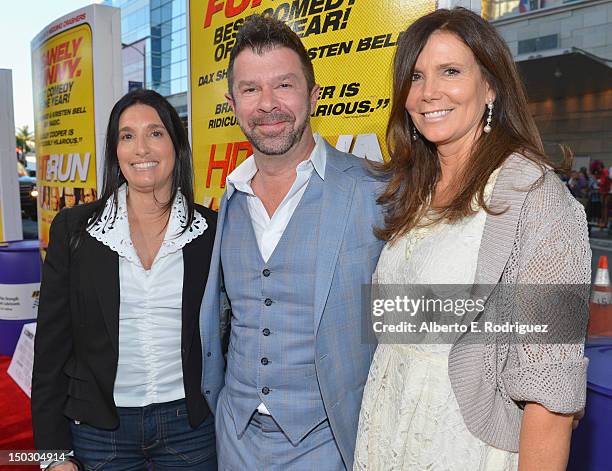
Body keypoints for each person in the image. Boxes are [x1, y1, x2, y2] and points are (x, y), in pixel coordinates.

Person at [354, 8, 590, 471]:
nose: (428, 93)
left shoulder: (536, 196)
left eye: (451, 71)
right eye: (415, 76)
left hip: (463, 444)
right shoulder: (415, 188)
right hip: (389, 429)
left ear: (491, 87)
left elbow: (552, 389)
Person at [199, 14, 384, 470]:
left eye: (283, 85)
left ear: (313, 94)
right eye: (249, 89)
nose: (267, 104)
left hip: (330, 442)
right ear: (232, 103)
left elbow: (415, 312)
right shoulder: (228, 200)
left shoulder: (373, 190)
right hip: (234, 437)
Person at [32, 89, 218, 470]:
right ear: (115, 151)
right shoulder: (76, 230)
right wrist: (52, 456)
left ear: (176, 144)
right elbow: (50, 350)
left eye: (155, 133)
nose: (141, 149)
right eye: (127, 136)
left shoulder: (211, 231)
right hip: (100, 432)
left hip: (191, 428)